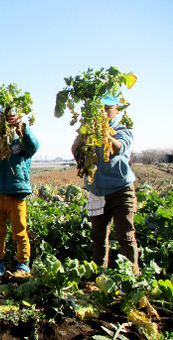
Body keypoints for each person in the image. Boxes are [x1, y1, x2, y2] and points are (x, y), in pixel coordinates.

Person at [72, 95, 139, 274]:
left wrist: (103, 131)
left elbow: (119, 148)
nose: (103, 113)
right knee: (99, 238)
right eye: (99, 110)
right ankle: (99, 278)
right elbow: (75, 151)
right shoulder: (88, 132)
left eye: (107, 109)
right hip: (97, 192)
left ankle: (133, 279)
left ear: (116, 110)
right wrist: (84, 133)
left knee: (125, 236)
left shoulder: (122, 130)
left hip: (121, 191)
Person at [0, 109, 39, 277]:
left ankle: (23, 262)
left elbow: (33, 146)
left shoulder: (21, 142)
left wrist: (22, 127)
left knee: (19, 230)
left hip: (16, 193)